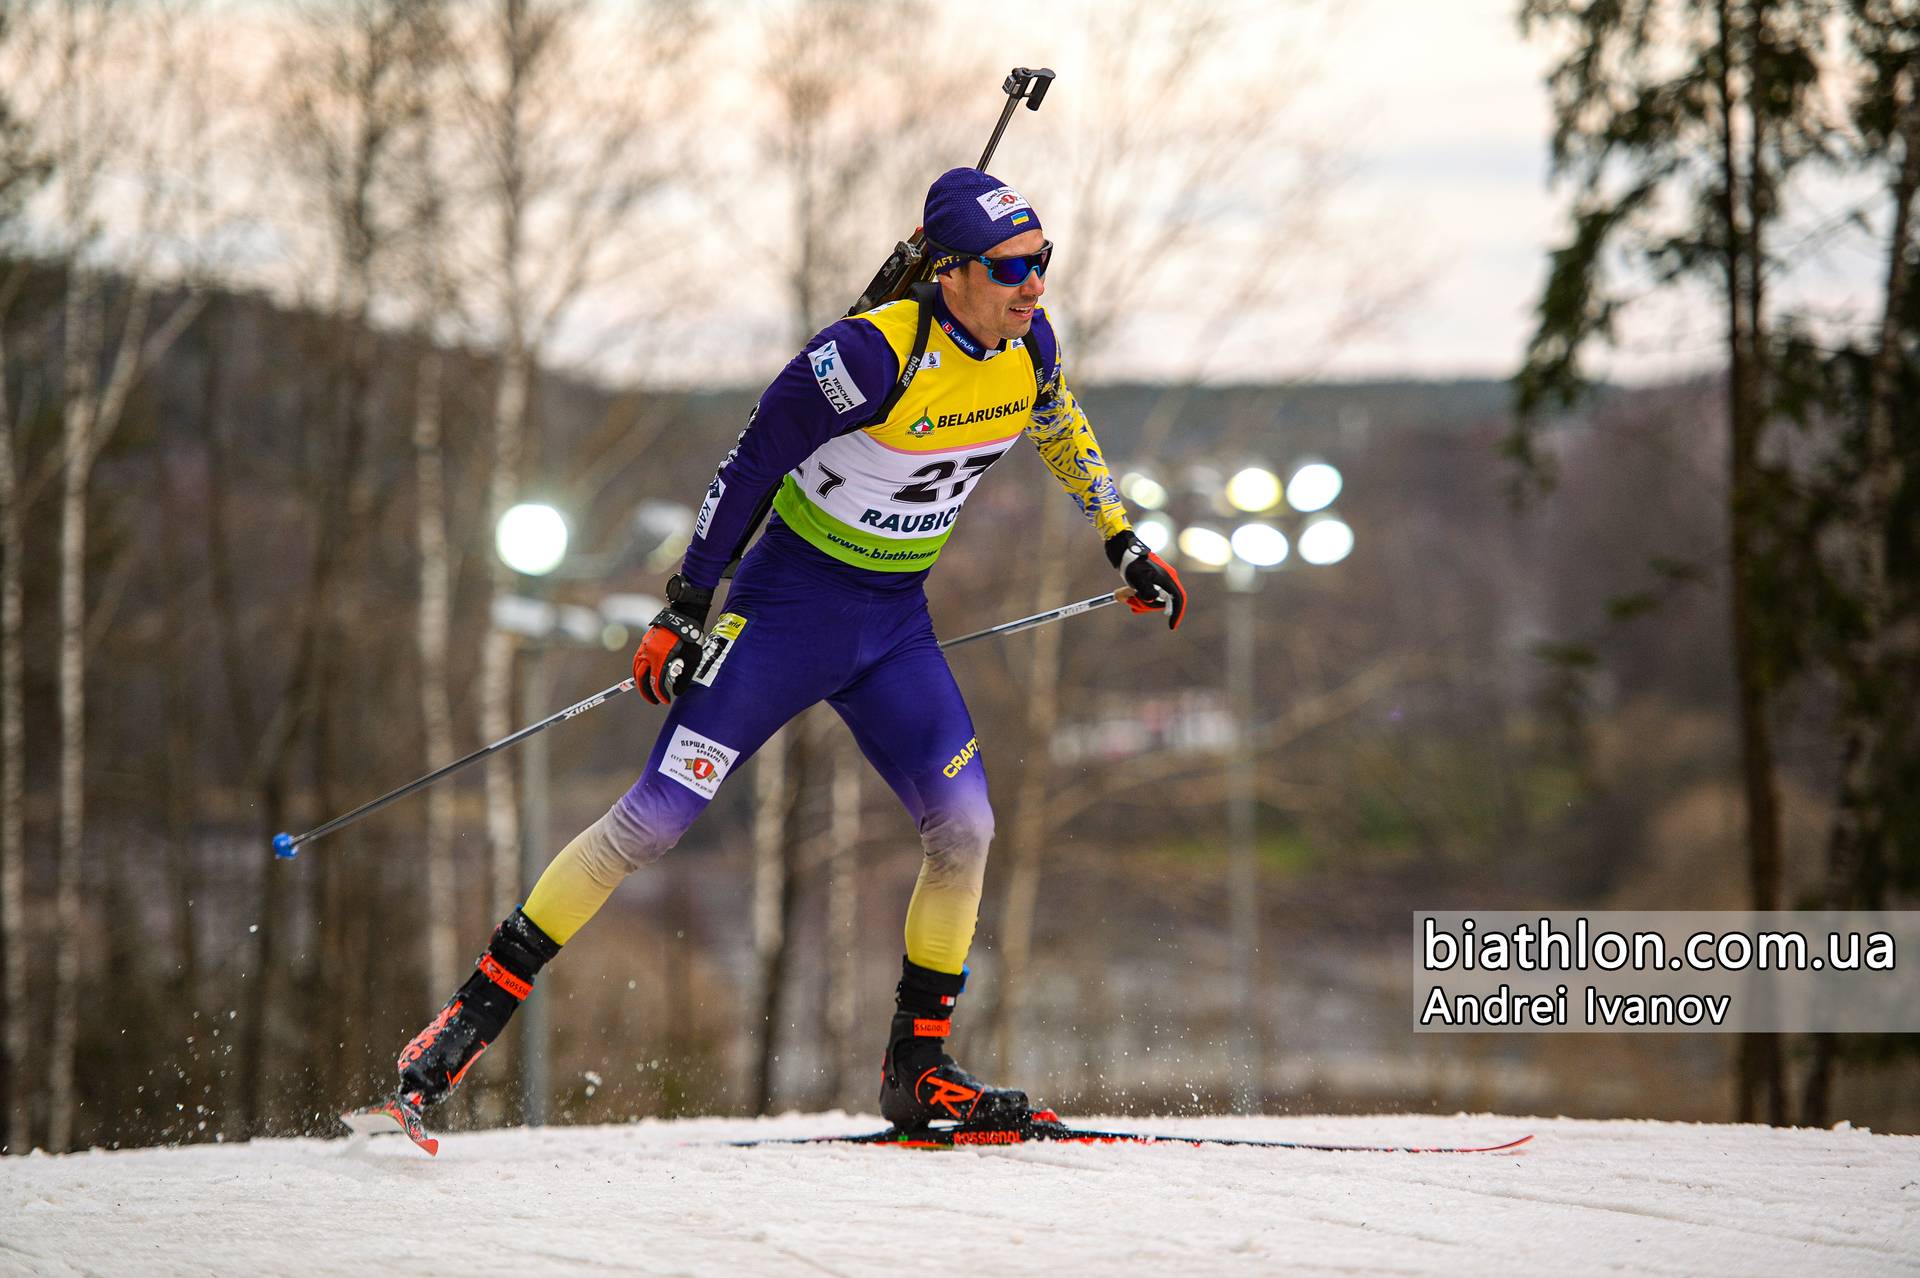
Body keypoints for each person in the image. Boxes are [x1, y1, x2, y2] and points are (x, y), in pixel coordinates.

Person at [393, 167, 1188, 1131]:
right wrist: (686, 603)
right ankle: (465, 1022)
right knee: (654, 821)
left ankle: (917, 1068)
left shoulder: (1031, 344)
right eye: (1013, 267)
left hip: (893, 624)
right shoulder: (866, 354)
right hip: (783, 614)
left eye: (1042, 261)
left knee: (966, 827)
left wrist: (1121, 536)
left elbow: (1058, 422)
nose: (1035, 285)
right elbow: (749, 464)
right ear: (950, 272)